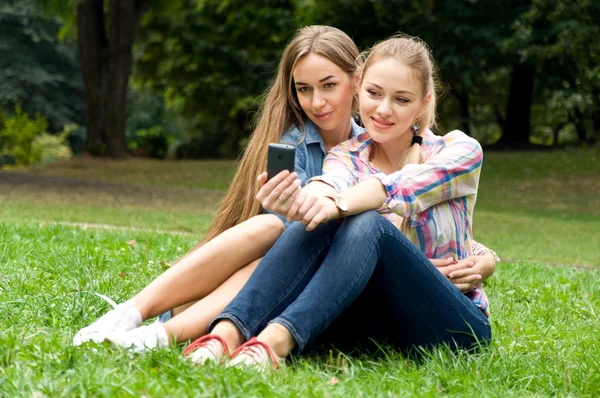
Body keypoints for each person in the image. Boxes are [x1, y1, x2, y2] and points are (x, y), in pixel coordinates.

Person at [73, 27, 498, 353]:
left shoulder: (444, 149)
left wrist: (482, 258)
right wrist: (309, 205)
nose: (317, 101)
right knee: (275, 227)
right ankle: (141, 318)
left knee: (343, 225)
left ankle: (184, 333)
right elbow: (327, 202)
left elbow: (409, 205)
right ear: (364, 85)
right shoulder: (328, 155)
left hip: (386, 293)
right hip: (306, 280)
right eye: (304, 89)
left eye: (329, 85)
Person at [184, 34, 495, 370]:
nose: (383, 109)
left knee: (364, 222)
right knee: (326, 221)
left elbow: (395, 188)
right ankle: (226, 334)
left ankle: (273, 343)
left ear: (423, 103)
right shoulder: (345, 156)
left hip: (454, 326)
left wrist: (340, 205)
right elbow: (327, 186)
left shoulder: (458, 152)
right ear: (358, 88)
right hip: (371, 323)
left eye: (402, 100)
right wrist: (303, 202)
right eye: (374, 93)